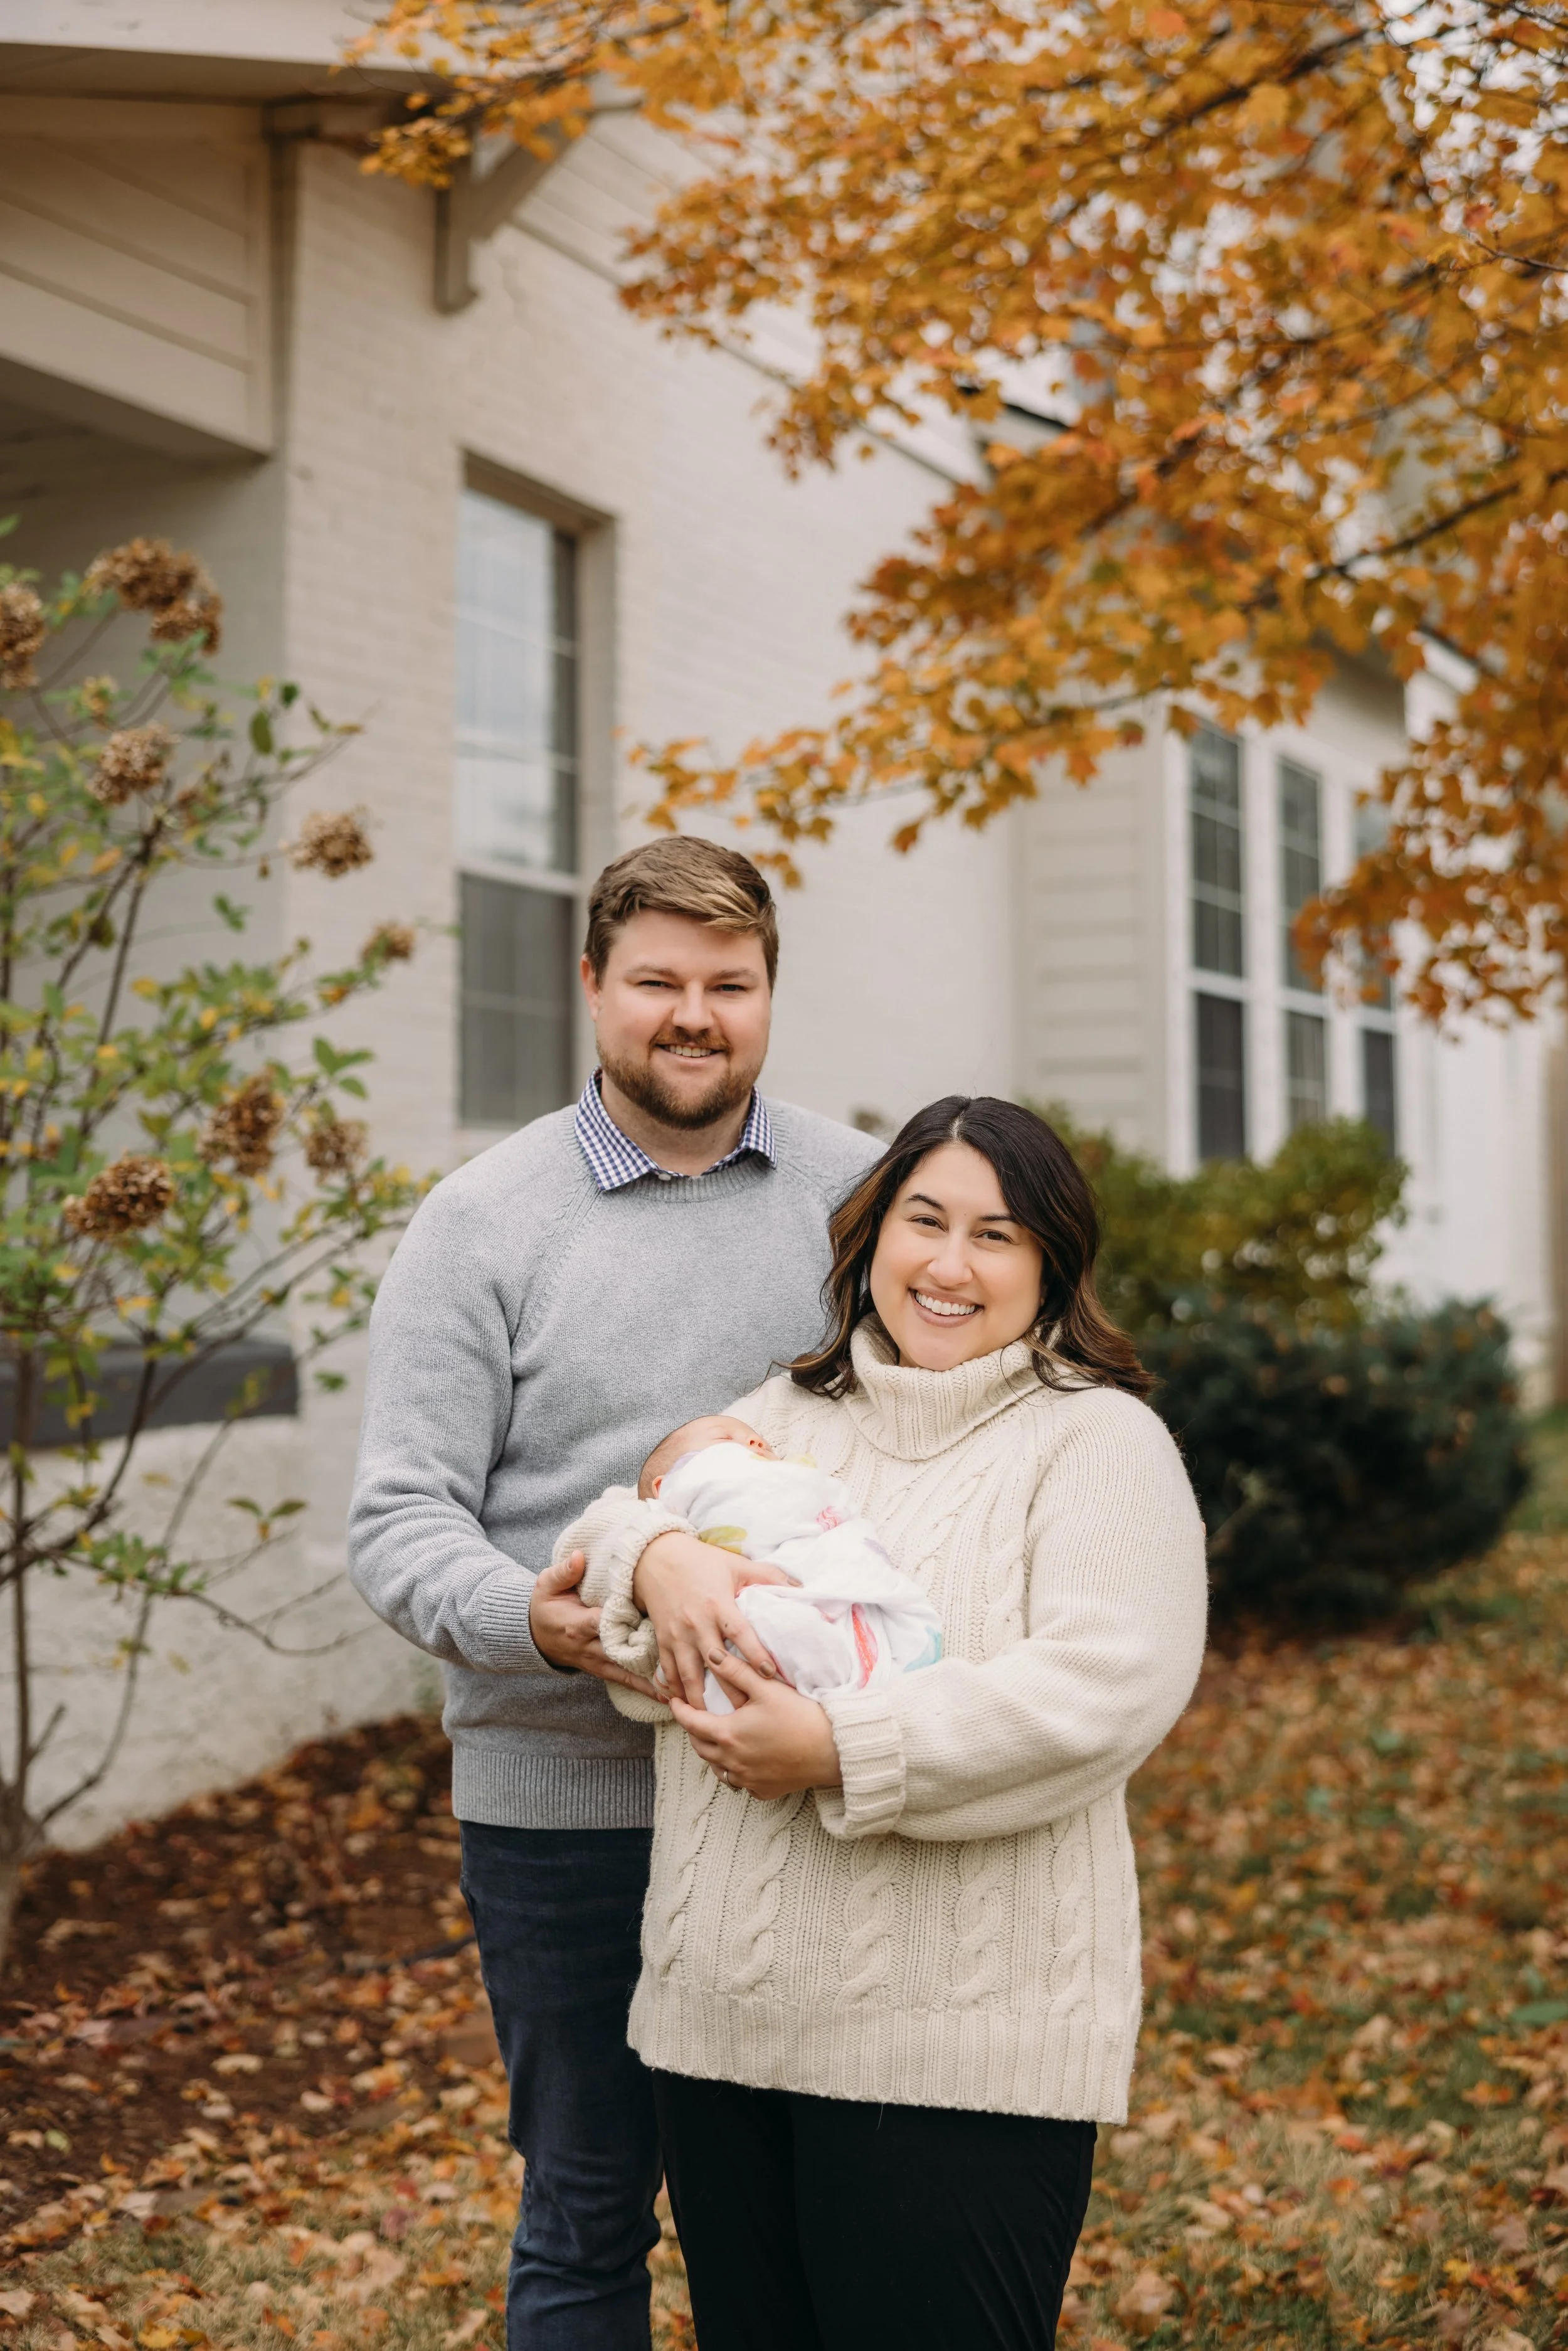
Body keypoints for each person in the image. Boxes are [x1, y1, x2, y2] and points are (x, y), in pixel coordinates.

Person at [563, 1095, 1209, 2351]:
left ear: (1052, 1267)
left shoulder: (1095, 1441)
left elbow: (1097, 1687)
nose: (948, 1263)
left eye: (996, 1234)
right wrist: (650, 1559)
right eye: (924, 1219)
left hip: (950, 2049)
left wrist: (840, 1748)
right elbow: (613, 1598)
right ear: (870, 1233)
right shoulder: (780, 1418)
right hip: (724, 2025)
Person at [346, 837, 879, 2351]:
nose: (692, 1015)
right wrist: (542, 1621)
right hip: (565, 1805)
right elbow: (397, 1520)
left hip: (802, 1791)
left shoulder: (857, 1198)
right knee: (588, 2206)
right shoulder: (481, 1222)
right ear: (592, 987)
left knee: (793, 2205)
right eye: (656, 981)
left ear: (771, 993)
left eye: (730, 983)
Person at [611, 1413, 944, 1711]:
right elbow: (610, 1530)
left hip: (818, 1569)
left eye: (760, 1442)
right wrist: (654, 1555)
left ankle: (845, 1681)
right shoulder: (662, 1511)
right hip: (750, 1603)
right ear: (665, 1487)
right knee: (772, 1627)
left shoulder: (791, 1470)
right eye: (725, 1439)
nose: (756, 1442)